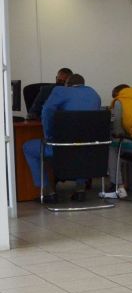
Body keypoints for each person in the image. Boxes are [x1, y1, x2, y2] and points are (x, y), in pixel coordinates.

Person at [23, 74, 102, 203]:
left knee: (27, 147)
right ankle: (80, 190)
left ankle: (48, 192)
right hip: (87, 148)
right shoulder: (94, 94)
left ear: (67, 84)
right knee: (80, 149)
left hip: (61, 147)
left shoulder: (61, 91)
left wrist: (48, 136)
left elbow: (46, 112)